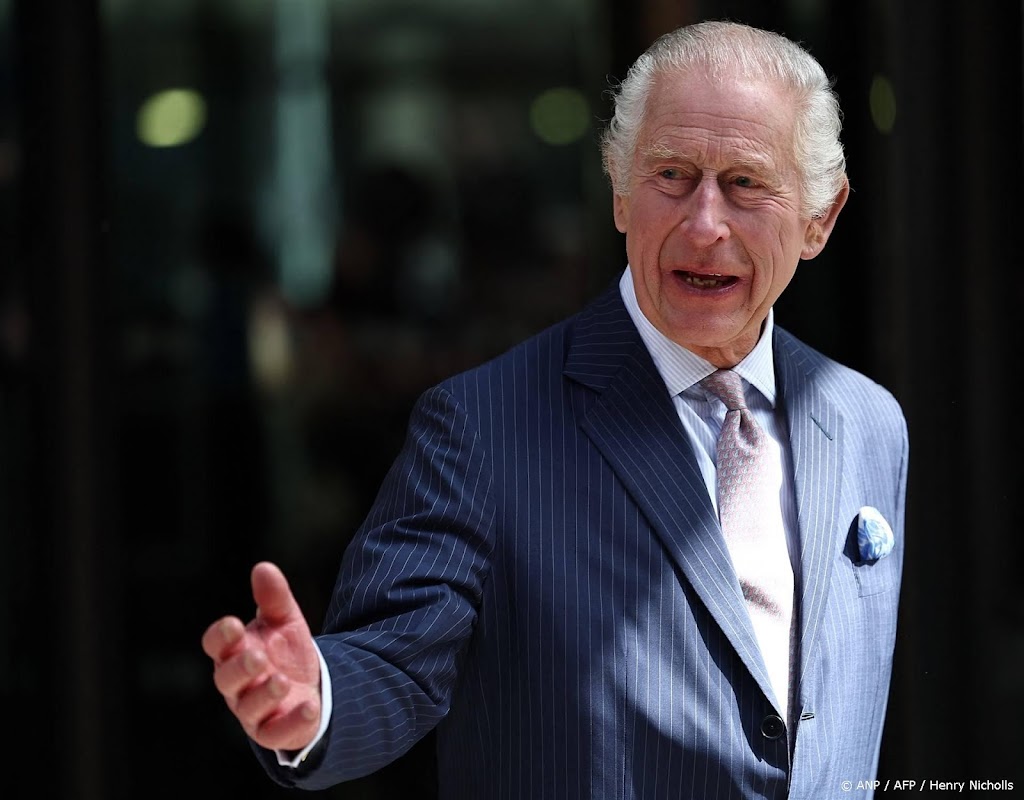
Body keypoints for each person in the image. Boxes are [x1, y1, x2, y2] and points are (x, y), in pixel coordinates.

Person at [202, 19, 908, 799]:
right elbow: (395, 655)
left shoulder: (867, 423)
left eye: (745, 183)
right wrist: (317, 701)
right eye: (671, 175)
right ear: (619, 192)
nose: (705, 224)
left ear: (820, 218)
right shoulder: (484, 426)